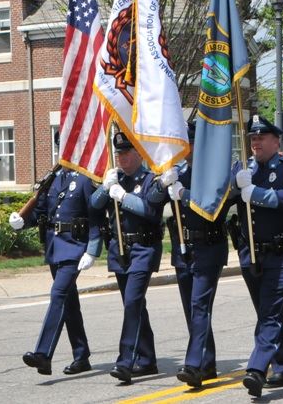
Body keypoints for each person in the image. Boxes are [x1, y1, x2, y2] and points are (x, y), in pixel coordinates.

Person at [147, 121, 229, 387]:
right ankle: (208, 362)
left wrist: (182, 193)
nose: (183, 148)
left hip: (208, 248)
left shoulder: (213, 172)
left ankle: (194, 365)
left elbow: (211, 204)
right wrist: (162, 185)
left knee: (199, 306)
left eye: (187, 142)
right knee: (192, 310)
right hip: (183, 250)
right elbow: (151, 201)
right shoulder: (178, 170)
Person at [230, 115, 283, 398]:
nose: (256, 142)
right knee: (268, 313)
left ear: (276, 141)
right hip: (251, 254)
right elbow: (223, 200)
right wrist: (235, 186)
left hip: (279, 254)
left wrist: (255, 193)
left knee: (269, 314)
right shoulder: (244, 169)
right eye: (252, 138)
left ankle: (257, 369)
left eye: (261, 138)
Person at [9, 157, 102, 377]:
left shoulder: (86, 180)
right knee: (68, 302)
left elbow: (96, 217)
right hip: (54, 247)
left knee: (58, 294)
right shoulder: (53, 178)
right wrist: (23, 221)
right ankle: (81, 355)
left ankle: (43, 354)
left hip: (74, 248)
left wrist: (92, 249)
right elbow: (40, 210)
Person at [90, 131, 164, 384]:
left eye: (126, 153)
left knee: (132, 302)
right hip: (120, 250)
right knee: (134, 305)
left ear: (138, 154)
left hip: (143, 248)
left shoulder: (150, 179)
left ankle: (125, 361)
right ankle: (147, 359)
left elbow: (150, 211)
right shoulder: (115, 179)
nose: (121, 158)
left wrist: (123, 196)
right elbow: (94, 205)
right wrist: (105, 188)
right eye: (119, 153)